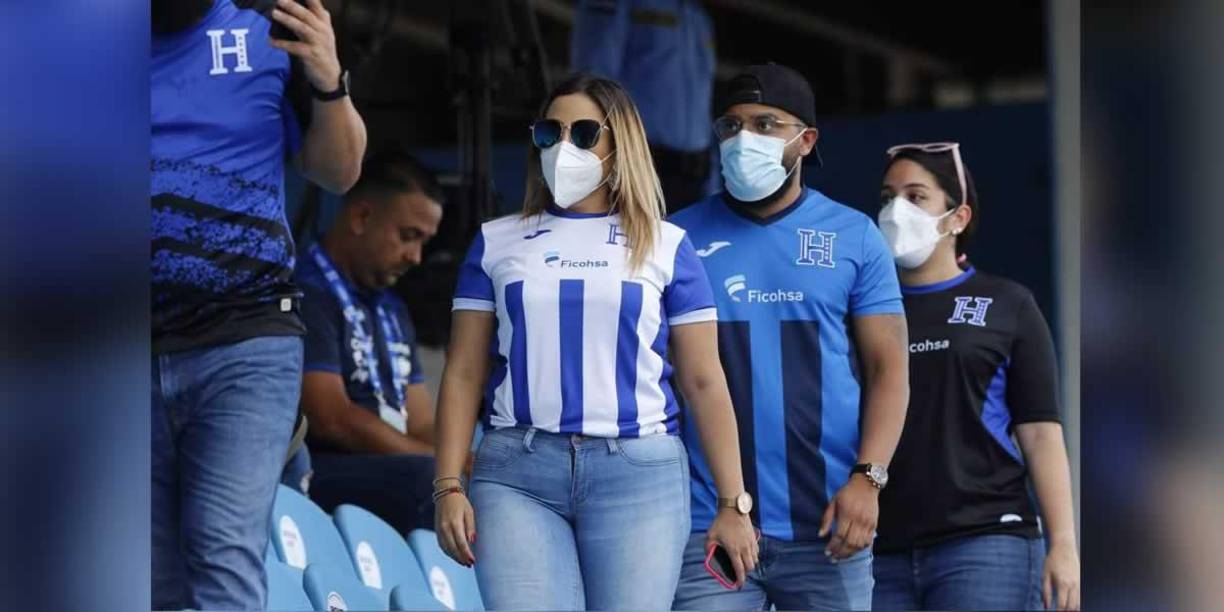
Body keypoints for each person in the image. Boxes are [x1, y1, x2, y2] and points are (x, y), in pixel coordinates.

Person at [431, 73, 758, 610]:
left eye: (583, 133)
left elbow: (703, 379)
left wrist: (733, 503)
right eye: (548, 133)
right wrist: (447, 484)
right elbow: (464, 370)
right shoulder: (496, 240)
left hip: (639, 474)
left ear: (619, 143)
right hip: (517, 470)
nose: (563, 147)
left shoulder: (667, 244)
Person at [668, 63, 910, 611]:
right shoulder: (674, 236)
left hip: (827, 522)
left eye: (764, 123)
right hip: (705, 522)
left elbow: (889, 369)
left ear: (807, 140)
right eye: (730, 126)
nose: (742, 139)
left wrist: (868, 481)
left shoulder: (854, 236)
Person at [151, 0, 366, 608]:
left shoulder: (271, 27)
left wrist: (329, 82)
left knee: (221, 548)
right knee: (148, 575)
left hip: (246, 337)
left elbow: (341, 171)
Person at [870, 142, 1080, 611]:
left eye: (916, 196)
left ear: (958, 218)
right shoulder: (865, 312)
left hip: (987, 541)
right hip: (879, 548)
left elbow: (1042, 432)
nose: (895, 211)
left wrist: (1064, 543)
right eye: (887, 197)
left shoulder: (1008, 304)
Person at [289, 152, 444, 534]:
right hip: (326, 466)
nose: (416, 257)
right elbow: (332, 419)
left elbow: (421, 420)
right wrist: (443, 467)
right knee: (434, 482)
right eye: (408, 236)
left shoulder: (392, 306)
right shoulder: (306, 290)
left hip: (399, 466)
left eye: (424, 242)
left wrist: (461, 460)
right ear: (361, 218)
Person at [571, 0, 716, 214]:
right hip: (640, 165)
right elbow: (592, 84)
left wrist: (712, 184)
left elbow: (703, 100)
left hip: (695, 175)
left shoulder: (698, 15)